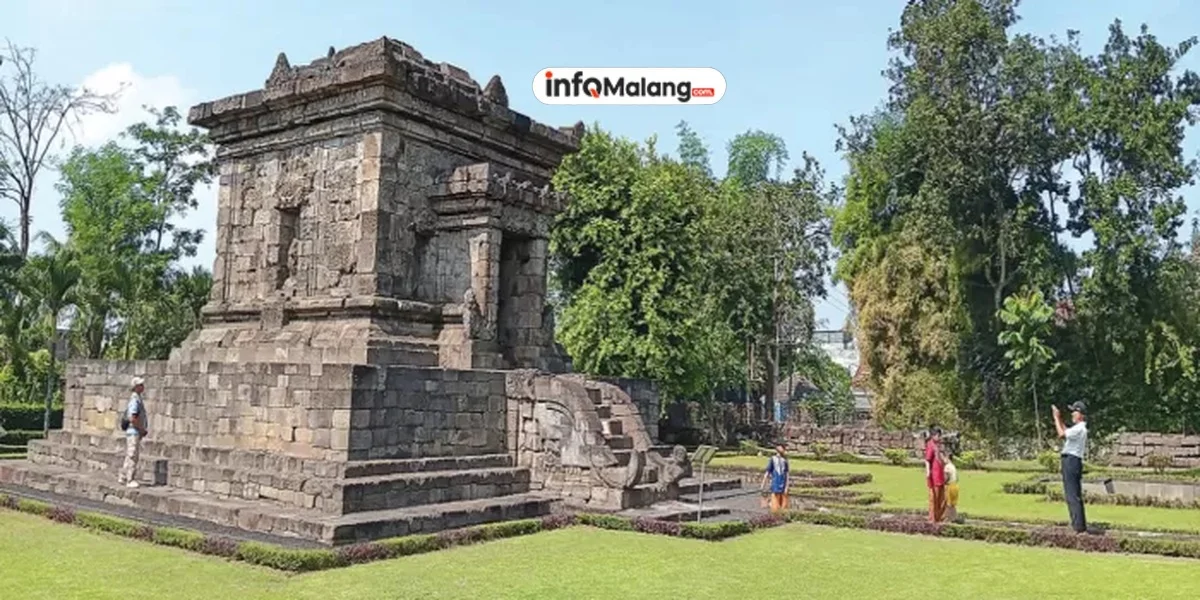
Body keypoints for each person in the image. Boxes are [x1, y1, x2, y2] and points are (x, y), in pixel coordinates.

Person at [1053, 401, 1088, 533]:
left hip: (1071, 460)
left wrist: (1056, 418)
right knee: (1074, 494)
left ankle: (1078, 526)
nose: (1072, 414)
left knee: (1072, 495)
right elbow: (1065, 431)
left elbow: (1061, 434)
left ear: (1081, 414)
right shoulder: (1078, 428)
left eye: (1075, 411)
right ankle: (1079, 524)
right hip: (1072, 460)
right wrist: (1059, 418)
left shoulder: (1079, 428)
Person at [118, 376, 148, 488]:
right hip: (134, 431)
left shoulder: (137, 398)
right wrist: (141, 429)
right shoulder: (135, 400)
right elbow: (133, 417)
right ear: (136, 387)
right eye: (140, 385)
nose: (143, 387)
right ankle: (130, 479)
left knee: (130, 454)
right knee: (132, 455)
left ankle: (123, 476)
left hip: (135, 431)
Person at [759, 444, 791, 513]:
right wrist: (763, 484)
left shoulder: (785, 460)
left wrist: (787, 486)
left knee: (784, 506)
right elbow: (767, 472)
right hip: (775, 485)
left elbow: (787, 474)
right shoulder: (773, 459)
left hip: (783, 485)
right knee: (775, 506)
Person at [925, 427, 946, 523]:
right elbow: (927, 460)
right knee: (934, 498)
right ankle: (932, 518)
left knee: (942, 498)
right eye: (938, 435)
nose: (939, 437)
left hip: (940, 475)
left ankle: (939, 517)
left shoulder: (937, 445)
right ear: (933, 435)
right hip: (934, 475)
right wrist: (928, 472)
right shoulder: (930, 445)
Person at [942, 449, 959, 522]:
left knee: (948, 504)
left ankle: (947, 518)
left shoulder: (947, 467)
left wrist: (943, 483)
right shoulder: (953, 466)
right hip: (955, 485)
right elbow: (957, 478)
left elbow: (946, 477)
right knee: (953, 504)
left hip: (949, 486)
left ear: (947, 457)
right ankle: (954, 518)